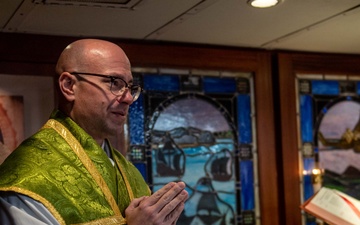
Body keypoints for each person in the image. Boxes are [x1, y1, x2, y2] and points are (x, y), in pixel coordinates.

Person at [0, 39, 188, 225]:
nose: (129, 98)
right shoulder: (31, 175)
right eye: (114, 82)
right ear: (69, 86)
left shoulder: (128, 172)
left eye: (130, 87)